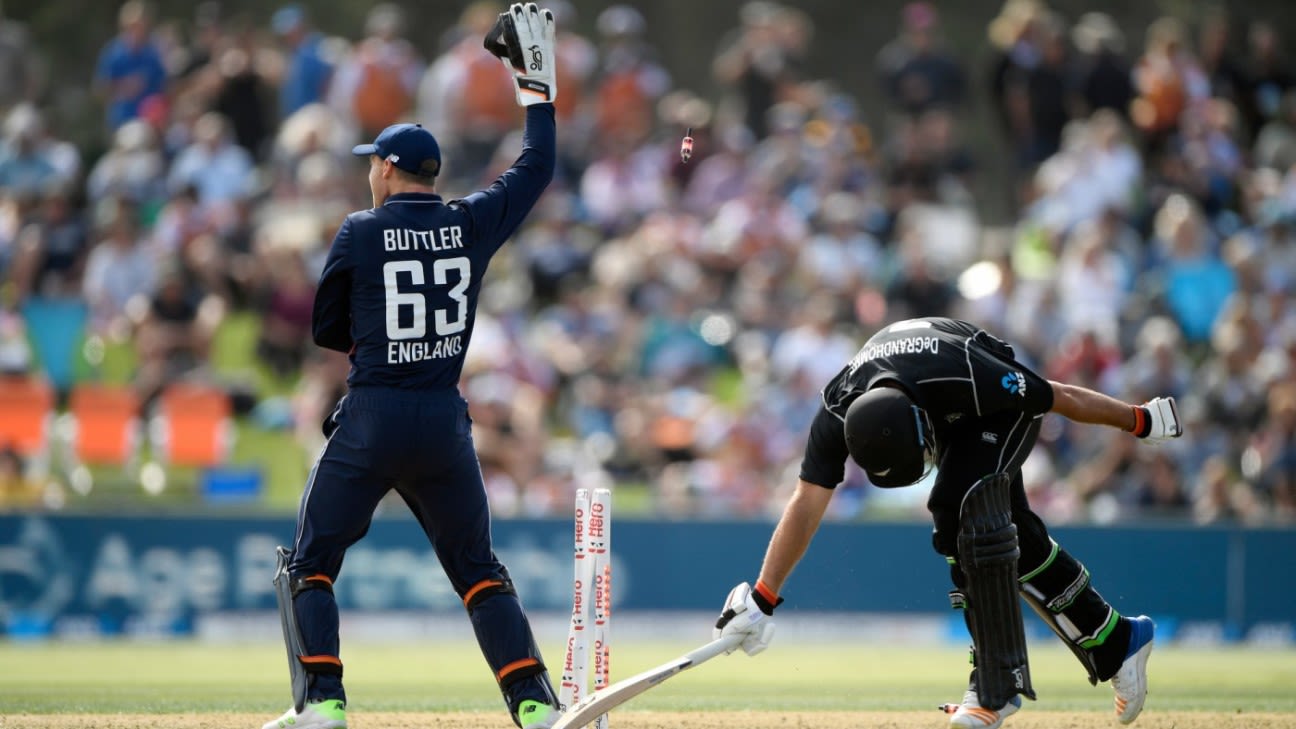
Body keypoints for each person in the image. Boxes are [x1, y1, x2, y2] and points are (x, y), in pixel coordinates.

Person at [263, 6, 561, 729]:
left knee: (310, 564)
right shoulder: (470, 223)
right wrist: (535, 89)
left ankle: (325, 705)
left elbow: (329, 330)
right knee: (479, 573)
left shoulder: (360, 231)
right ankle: (533, 705)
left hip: (371, 416)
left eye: (374, 161)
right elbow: (537, 164)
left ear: (389, 169)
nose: (370, 171)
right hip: (441, 421)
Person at [713, 316, 1182, 729]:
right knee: (1016, 545)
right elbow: (807, 500)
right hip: (935, 398)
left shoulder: (972, 375)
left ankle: (995, 689)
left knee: (960, 508)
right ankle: (1119, 640)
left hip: (988, 403)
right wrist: (761, 598)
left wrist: (1139, 420)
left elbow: (1057, 396)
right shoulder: (838, 411)